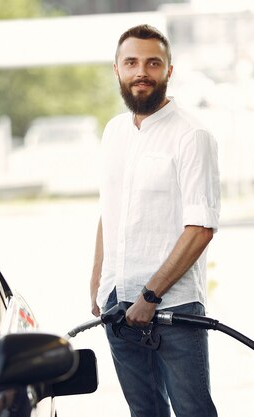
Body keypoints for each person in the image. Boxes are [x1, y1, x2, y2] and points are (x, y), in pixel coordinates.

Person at [89, 24, 220, 417]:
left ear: (168, 71)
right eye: (131, 62)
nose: (141, 71)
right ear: (117, 69)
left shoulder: (191, 135)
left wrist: (150, 297)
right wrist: (98, 281)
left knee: (192, 410)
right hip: (117, 302)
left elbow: (200, 228)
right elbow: (109, 209)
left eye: (152, 63)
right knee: (144, 411)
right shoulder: (114, 132)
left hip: (173, 309)